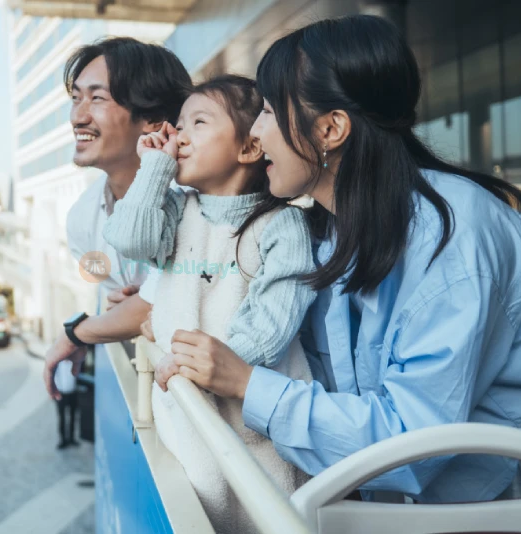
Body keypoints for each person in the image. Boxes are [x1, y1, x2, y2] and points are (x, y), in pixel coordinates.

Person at [160, 15, 521, 504]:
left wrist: (246, 384)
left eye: (268, 111)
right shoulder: (334, 225)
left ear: (331, 128)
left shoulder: (453, 239)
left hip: (513, 503)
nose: (257, 132)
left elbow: (413, 445)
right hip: (415, 498)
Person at [103, 75, 315, 533]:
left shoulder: (282, 225)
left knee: (260, 509)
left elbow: (272, 326)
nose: (179, 135)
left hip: (250, 418)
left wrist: (198, 363)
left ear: (250, 147)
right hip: (183, 407)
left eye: (198, 123)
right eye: (178, 124)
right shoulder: (178, 209)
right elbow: (129, 239)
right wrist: (154, 169)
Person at [42, 37, 192, 400]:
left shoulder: (197, 196)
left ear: (152, 119)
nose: (78, 116)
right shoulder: (81, 220)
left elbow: (160, 302)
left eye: (97, 98)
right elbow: (127, 309)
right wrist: (117, 315)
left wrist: (78, 333)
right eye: (76, 98)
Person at [54, 359, 79, 449]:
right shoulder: (58, 364)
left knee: (73, 416)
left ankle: (72, 438)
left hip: (73, 393)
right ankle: (63, 440)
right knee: (62, 418)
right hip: (61, 394)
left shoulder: (74, 362)